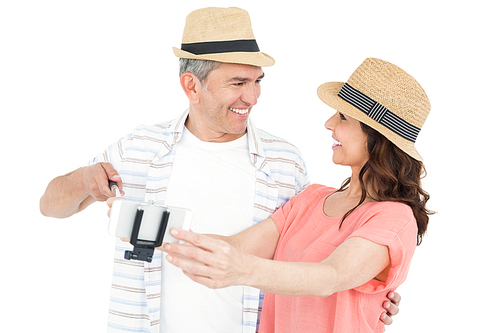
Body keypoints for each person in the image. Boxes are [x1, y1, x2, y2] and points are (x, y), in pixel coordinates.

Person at [40, 7, 400, 333]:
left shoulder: (284, 162)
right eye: (238, 83)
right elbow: (50, 206)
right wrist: (83, 180)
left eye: (257, 81)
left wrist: (367, 289)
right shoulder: (138, 149)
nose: (253, 96)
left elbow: (309, 259)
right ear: (191, 86)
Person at [162, 57, 431, 332]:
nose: (328, 123)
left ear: (376, 138)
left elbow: (331, 277)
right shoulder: (311, 199)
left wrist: (243, 270)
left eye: (342, 117)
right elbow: (237, 246)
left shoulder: (394, 219)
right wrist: (150, 230)